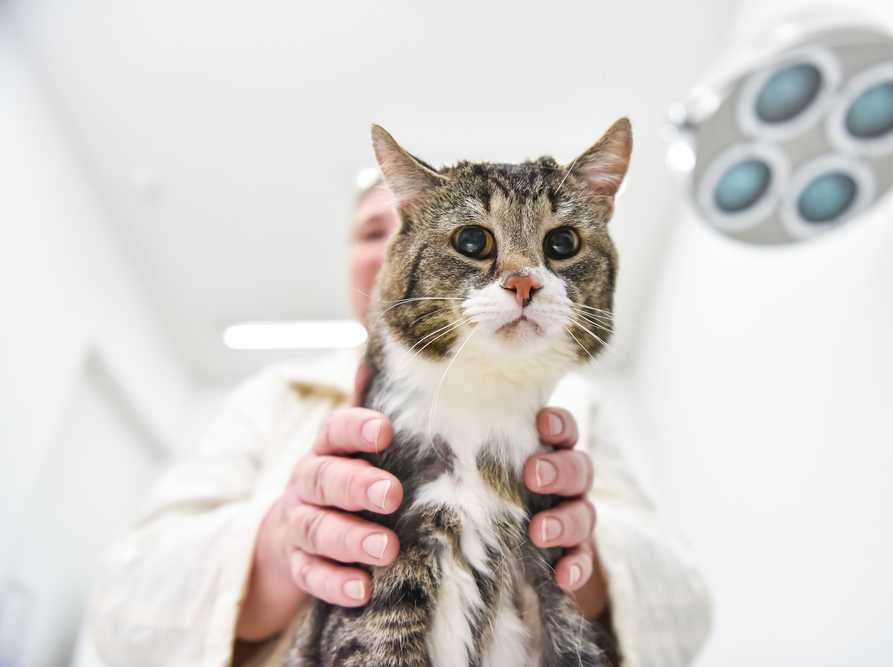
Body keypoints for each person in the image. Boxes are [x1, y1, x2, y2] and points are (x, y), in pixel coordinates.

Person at [80, 181, 712, 667]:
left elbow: (690, 607)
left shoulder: (579, 406)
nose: (393, 245)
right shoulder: (272, 397)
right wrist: (277, 546)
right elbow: (116, 606)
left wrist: (585, 562)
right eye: (375, 230)